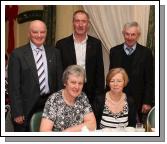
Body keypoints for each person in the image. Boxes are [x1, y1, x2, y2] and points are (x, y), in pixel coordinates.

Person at [8, 20, 63, 132]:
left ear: (46, 33)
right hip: (25, 108)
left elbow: (59, 82)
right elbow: (14, 87)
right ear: (29, 33)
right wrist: (17, 112)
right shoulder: (17, 54)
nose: (39, 35)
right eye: (35, 32)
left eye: (42, 32)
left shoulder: (54, 53)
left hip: (50, 104)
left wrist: (60, 106)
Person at [55, 10, 105, 125]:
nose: (80, 24)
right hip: (68, 91)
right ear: (73, 23)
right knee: (70, 122)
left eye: (83, 21)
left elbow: (99, 71)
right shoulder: (61, 44)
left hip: (90, 92)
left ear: (88, 24)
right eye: (77, 21)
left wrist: (99, 96)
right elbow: (59, 72)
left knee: (89, 125)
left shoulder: (96, 44)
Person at [109, 21, 154, 123]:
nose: (129, 37)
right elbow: (110, 77)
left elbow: (149, 80)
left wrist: (147, 101)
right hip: (117, 98)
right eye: (127, 34)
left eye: (133, 34)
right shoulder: (114, 51)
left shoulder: (146, 53)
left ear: (138, 35)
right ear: (123, 33)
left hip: (138, 100)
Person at [40, 65, 96, 132]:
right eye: (73, 82)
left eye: (80, 83)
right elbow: (44, 131)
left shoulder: (82, 97)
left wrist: (67, 132)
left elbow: (92, 124)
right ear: (65, 83)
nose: (77, 87)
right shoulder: (54, 100)